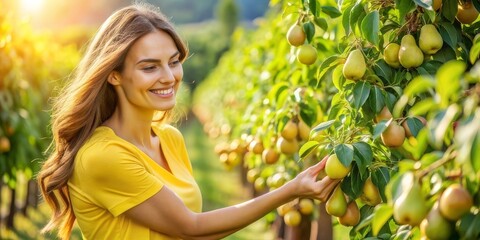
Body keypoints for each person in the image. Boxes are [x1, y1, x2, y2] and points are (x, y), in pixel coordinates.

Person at [37, 3, 339, 240]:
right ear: (114, 74)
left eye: (173, 61)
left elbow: (196, 234)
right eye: (149, 67)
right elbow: (190, 227)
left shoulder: (169, 139)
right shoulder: (103, 156)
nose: (169, 77)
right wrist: (290, 190)